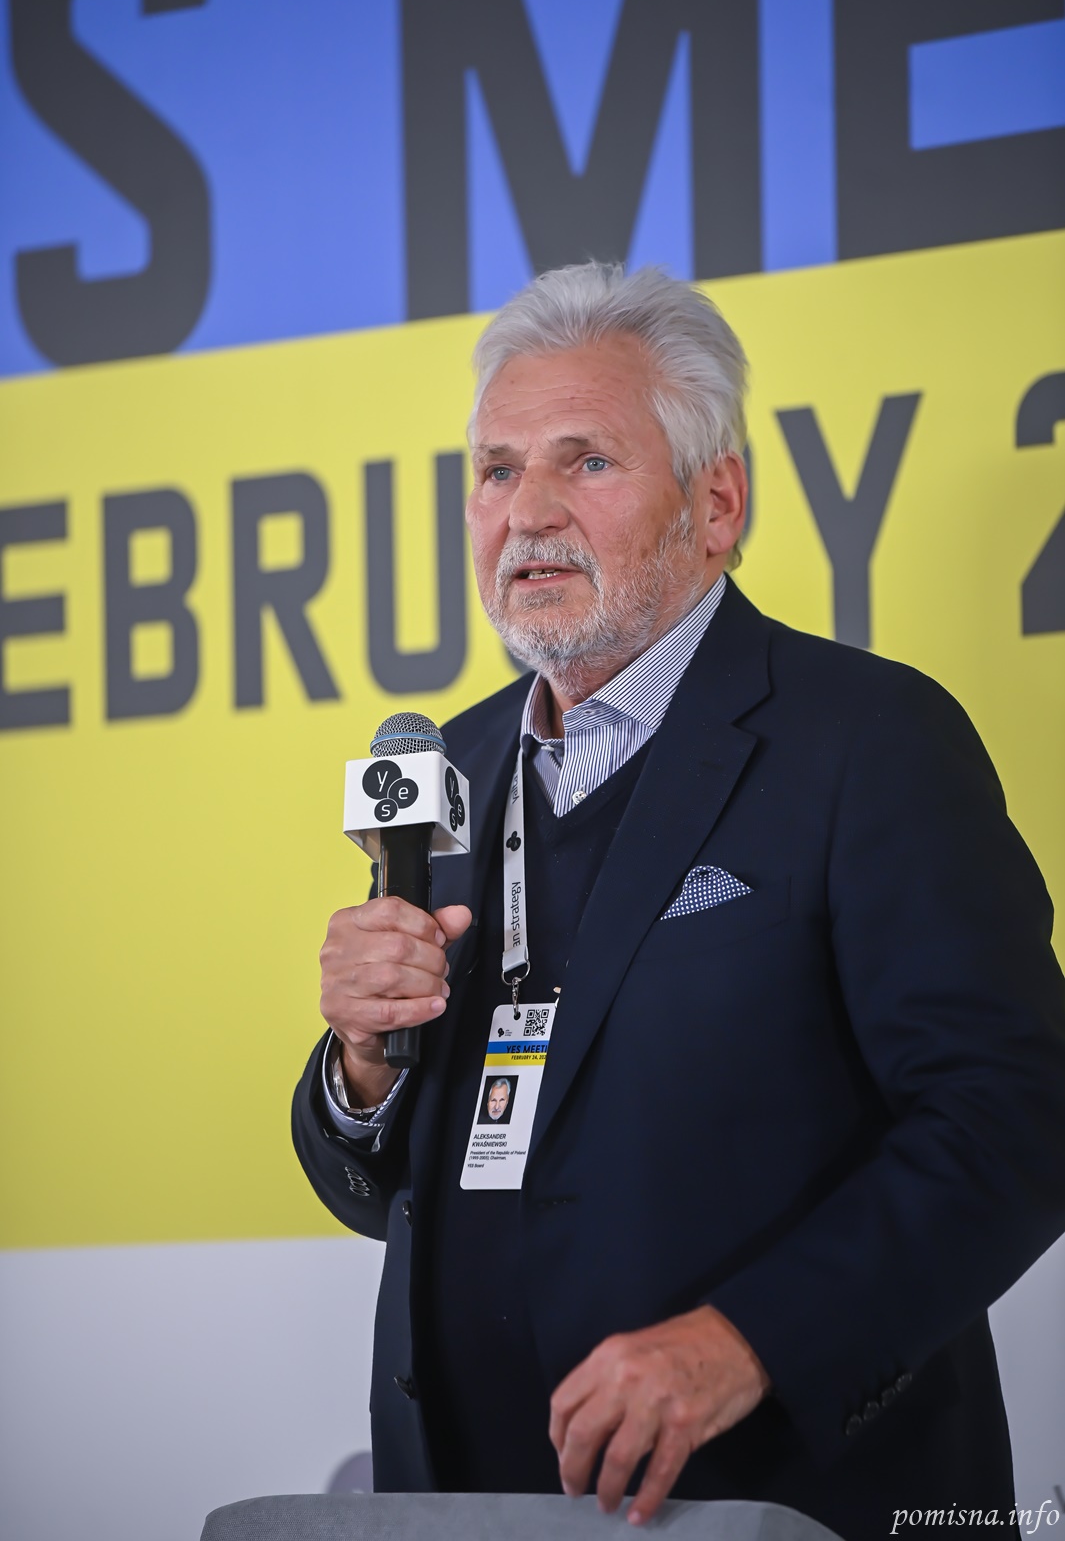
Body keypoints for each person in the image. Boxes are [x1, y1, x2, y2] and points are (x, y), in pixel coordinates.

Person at [293, 263, 1065, 1539]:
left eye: (586, 461)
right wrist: (364, 1069)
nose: (527, 513)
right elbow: (401, 1191)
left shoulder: (868, 740)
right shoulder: (452, 771)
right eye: (496, 470)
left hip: (782, 1500)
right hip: (467, 1504)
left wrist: (749, 1339)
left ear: (717, 503)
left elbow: (1018, 1116)